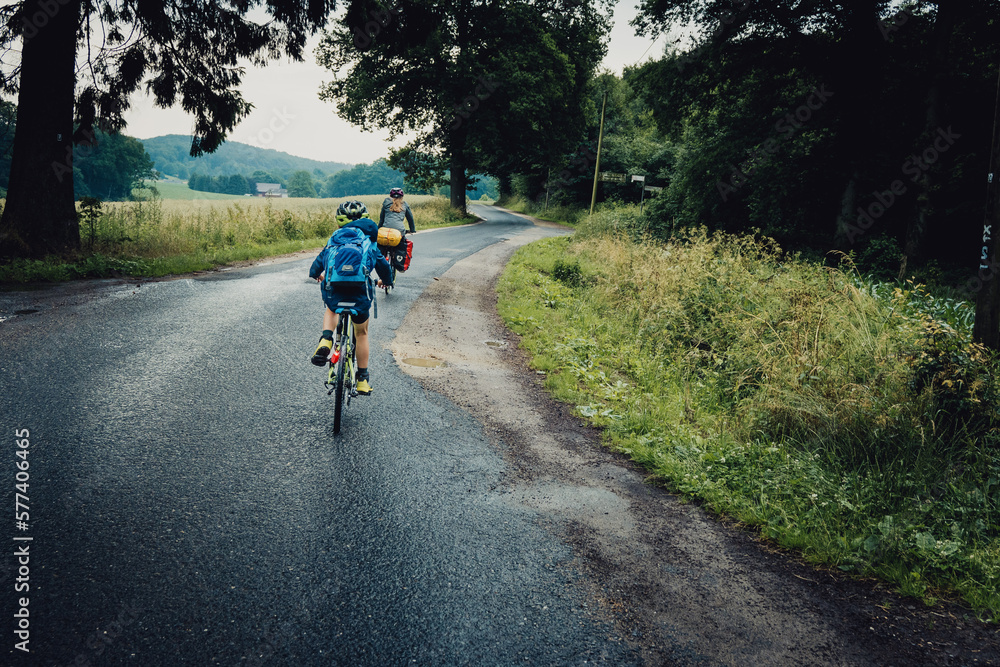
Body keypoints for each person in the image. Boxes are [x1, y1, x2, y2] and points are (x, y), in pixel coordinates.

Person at [308, 200, 393, 395]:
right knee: (361, 333)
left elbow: (319, 262)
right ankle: (362, 379)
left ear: (339, 222)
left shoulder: (335, 238)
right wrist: (384, 281)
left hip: (335, 289)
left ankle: (326, 339)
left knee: (331, 308)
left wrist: (316, 275)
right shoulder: (368, 240)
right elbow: (383, 266)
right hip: (359, 292)